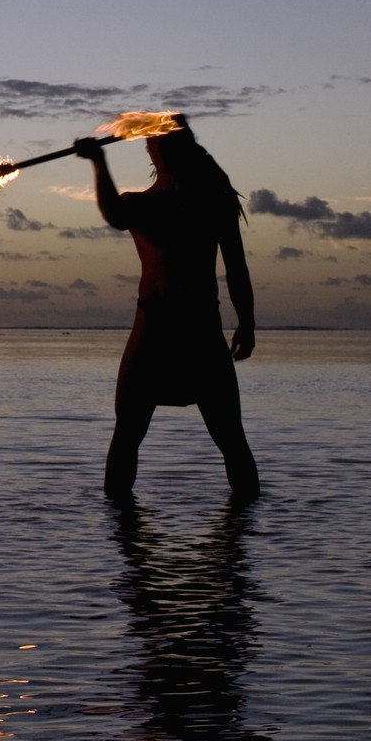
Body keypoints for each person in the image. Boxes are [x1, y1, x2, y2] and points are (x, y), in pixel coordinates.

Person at [77, 116, 259, 503]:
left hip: (200, 333)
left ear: (169, 149)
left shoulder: (213, 203)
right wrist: (97, 162)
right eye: (151, 142)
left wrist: (247, 321)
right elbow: (114, 215)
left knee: (231, 438)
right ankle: (120, 527)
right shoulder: (142, 205)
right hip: (152, 331)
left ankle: (244, 527)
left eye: (155, 140)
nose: (150, 145)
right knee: (127, 433)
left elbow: (237, 267)